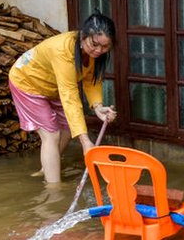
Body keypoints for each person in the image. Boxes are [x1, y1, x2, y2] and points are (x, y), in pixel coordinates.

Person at [8, 13, 118, 184]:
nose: (98, 51)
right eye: (94, 44)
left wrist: (97, 106)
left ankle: (48, 166)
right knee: (51, 134)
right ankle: (53, 191)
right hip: (28, 81)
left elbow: (90, 79)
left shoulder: (94, 53)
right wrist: (85, 142)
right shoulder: (63, 50)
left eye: (105, 47)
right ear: (83, 36)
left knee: (67, 126)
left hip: (54, 86)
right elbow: (70, 97)